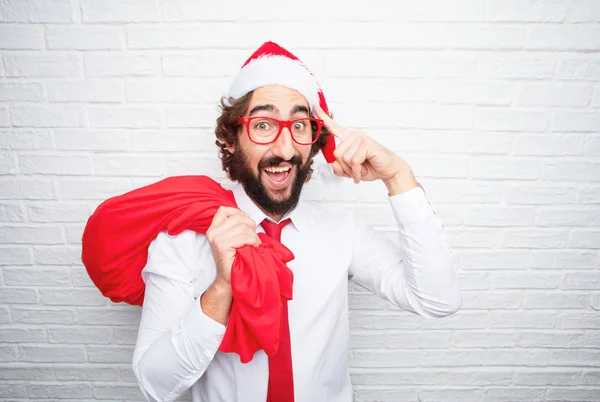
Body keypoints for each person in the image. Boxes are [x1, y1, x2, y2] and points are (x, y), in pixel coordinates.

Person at [131, 42, 461, 402]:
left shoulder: (343, 232)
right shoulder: (182, 239)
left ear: (314, 140)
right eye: (263, 124)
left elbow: (438, 301)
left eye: (299, 125)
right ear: (230, 140)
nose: (285, 149)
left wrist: (398, 176)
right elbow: (154, 385)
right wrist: (222, 288)